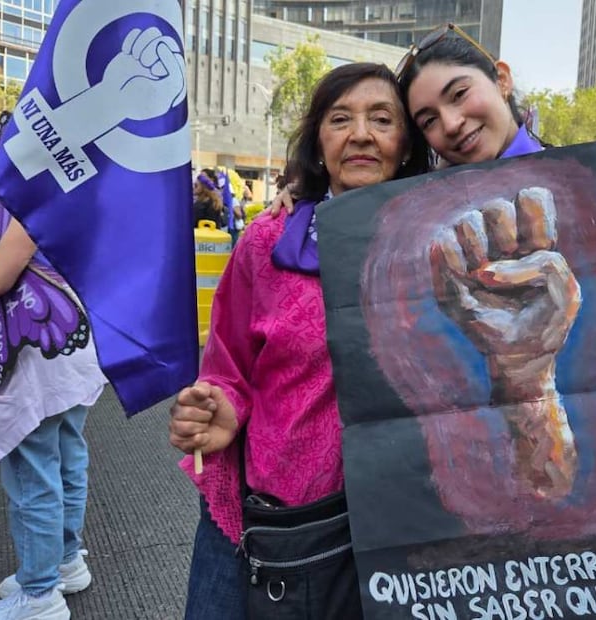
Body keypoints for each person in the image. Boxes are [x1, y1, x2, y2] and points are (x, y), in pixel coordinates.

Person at [167, 62, 428, 619]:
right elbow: (227, 366)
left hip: (405, 528)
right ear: (319, 142)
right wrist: (222, 407)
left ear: (406, 142)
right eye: (341, 119)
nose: (361, 133)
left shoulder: (441, 242)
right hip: (281, 524)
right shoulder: (267, 241)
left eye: (382, 118)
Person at [272, 23, 596, 267]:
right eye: (428, 120)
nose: (451, 124)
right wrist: (305, 196)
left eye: (459, 93)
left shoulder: (595, 188)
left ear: (501, 79)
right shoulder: (421, 210)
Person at [0, 218, 107, 620]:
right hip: (72, 341)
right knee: (66, 454)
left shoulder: (28, 196)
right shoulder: (79, 188)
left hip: (35, 350)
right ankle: (63, 561)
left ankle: (40, 591)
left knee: (33, 472)